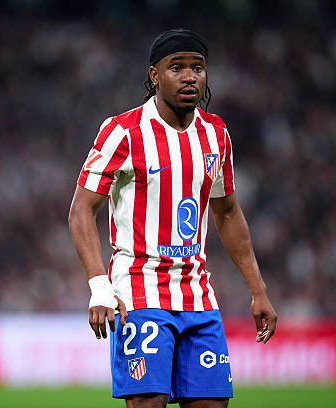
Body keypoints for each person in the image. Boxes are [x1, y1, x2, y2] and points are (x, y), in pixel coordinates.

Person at [68, 28, 277, 408]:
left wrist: (257, 289)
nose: (189, 76)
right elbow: (81, 210)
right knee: (149, 401)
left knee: (212, 404)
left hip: (197, 294)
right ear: (154, 75)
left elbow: (228, 212)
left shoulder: (216, 134)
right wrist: (99, 287)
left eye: (197, 67)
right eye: (176, 67)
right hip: (138, 290)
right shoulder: (123, 132)